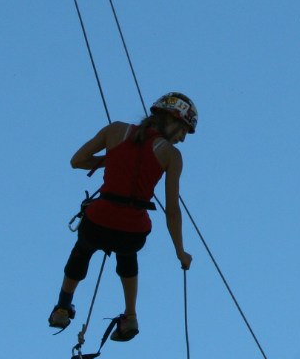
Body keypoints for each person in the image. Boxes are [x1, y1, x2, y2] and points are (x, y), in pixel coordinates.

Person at [47, 92, 196, 341]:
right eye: (183, 130)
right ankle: (130, 316)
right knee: (127, 257)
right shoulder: (171, 155)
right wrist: (180, 252)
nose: (182, 138)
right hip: (133, 231)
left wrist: (112, 159)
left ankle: (63, 306)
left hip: (99, 219)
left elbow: (77, 161)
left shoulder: (116, 131)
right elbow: (172, 210)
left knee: (82, 251)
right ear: (172, 120)